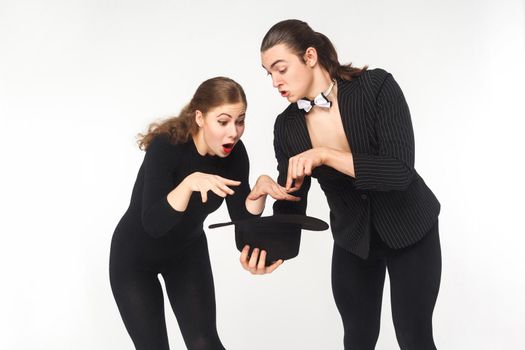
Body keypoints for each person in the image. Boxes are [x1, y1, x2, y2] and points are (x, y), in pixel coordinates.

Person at [242, 20, 442, 349]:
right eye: (269, 74)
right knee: (357, 340)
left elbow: (399, 172)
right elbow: (291, 203)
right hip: (353, 240)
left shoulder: (377, 87)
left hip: (411, 231)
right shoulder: (287, 127)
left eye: (281, 69)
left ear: (309, 56)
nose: (276, 82)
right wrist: (263, 247)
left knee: (414, 337)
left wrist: (325, 155)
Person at [109, 77, 292, 350]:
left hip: (186, 252)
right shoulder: (166, 146)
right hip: (134, 259)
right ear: (200, 118)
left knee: (205, 343)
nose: (234, 132)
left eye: (240, 120)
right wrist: (189, 183)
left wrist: (259, 193)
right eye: (223, 121)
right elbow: (154, 224)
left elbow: (242, 222)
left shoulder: (235, 155)